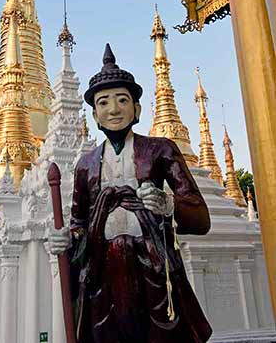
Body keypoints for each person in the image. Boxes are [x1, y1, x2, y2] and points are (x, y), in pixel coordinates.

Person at [50, 44, 212, 343]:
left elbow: (199, 216)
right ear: (95, 115)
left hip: (152, 265)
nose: (113, 109)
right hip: (104, 273)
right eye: (103, 103)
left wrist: (168, 205)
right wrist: (67, 238)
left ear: (136, 109)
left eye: (122, 100)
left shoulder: (159, 149)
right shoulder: (85, 165)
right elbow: (78, 223)